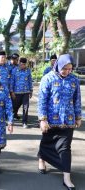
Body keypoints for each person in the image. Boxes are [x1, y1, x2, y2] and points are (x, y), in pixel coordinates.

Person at [37, 54, 82, 190]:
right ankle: (41, 159)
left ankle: (66, 177)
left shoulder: (74, 80)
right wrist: (42, 119)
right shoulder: (48, 78)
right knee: (47, 143)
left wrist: (78, 117)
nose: (67, 71)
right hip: (51, 119)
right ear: (59, 65)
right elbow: (42, 100)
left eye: (70, 69)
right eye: (65, 69)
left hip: (68, 120)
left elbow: (77, 99)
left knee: (65, 148)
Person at [10, 57, 33, 128]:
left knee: (26, 107)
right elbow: (12, 81)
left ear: (26, 64)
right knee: (15, 106)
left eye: (24, 64)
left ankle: (24, 122)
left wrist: (31, 90)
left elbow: (30, 80)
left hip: (26, 92)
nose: (22, 65)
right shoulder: (14, 70)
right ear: (19, 63)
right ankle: (11, 118)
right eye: (21, 64)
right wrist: (12, 91)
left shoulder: (28, 70)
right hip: (17, 92)